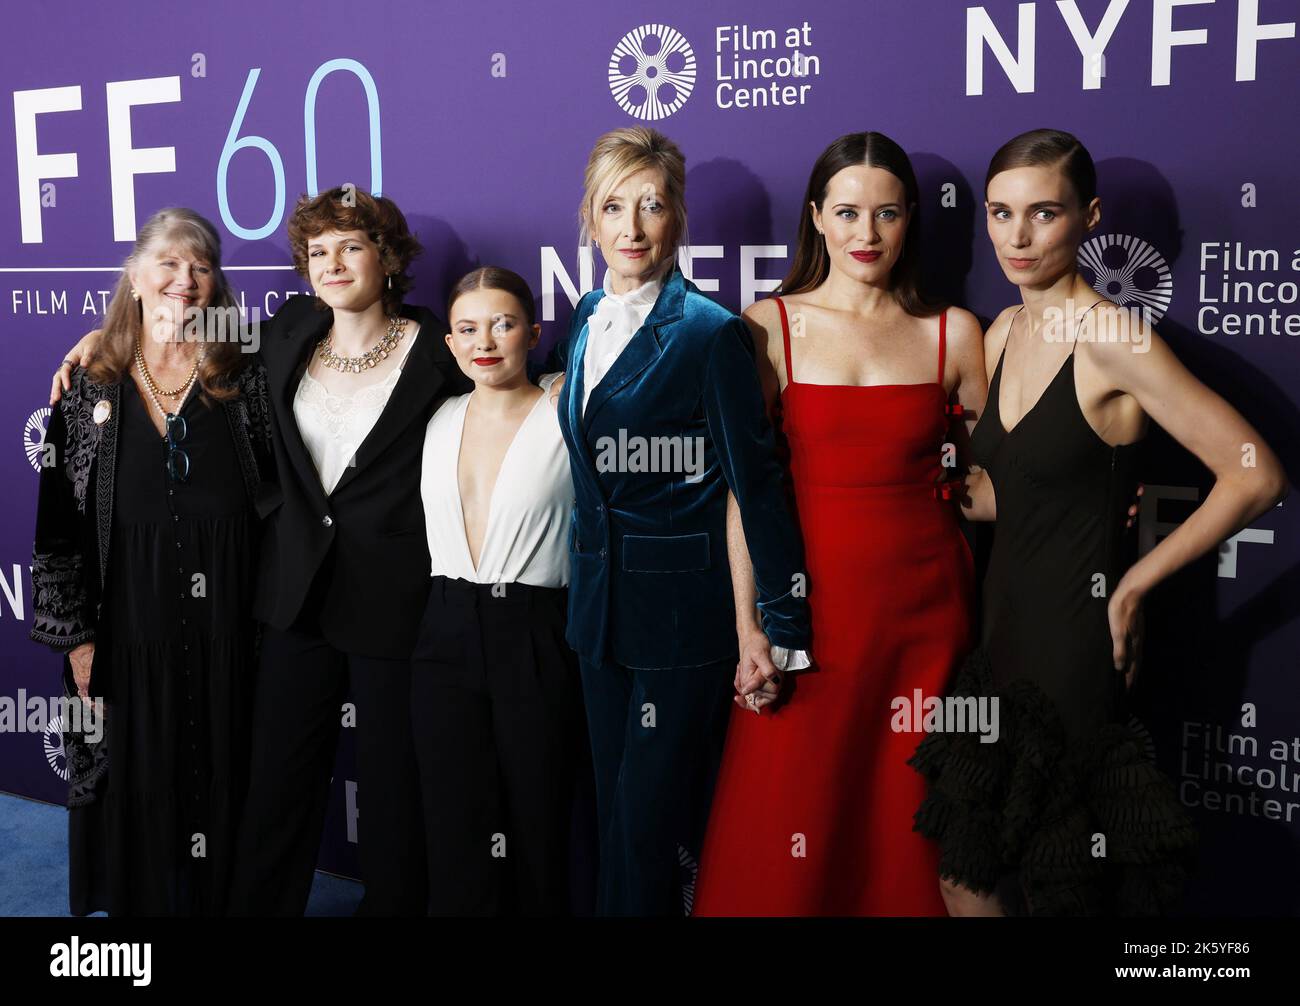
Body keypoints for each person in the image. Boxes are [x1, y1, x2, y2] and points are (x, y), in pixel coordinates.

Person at [911, 129, 1288, 916]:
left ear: (1089, 217)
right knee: (967, 874)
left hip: (1076, 649)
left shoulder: (1116, 338)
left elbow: (1254, 473)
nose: (1017, 237)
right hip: (997, 637)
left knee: (1060, 884)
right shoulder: (1002, 332)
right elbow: (1006, 497)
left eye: (1043, 213)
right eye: (1000, 213)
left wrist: (1132, 588)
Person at [692, 132, 986, 915]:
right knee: (795, 807)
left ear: (909, 220)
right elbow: (745, 495)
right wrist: (751, 628)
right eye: (848, 212)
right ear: (817, 217)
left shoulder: (955, 333)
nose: (867, 234)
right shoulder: (768, 327)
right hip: (809, 613)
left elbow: (990, 475)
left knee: (903, 819)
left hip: (926, 615)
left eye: (886, 214)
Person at [552, 126, 811, 916]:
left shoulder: (710, 332)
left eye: (652, 206)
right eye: (613, 207)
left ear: (678, 220)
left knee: (645, 830)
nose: (632, 228)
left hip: (679, 623)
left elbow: (756, 484)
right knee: (610, 821)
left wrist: (778, 625)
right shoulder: (587, 314)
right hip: (595, 617)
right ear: (590, 221)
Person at [31, 207, 270, 916]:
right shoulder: (85, 391)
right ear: (135, 276)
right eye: (167, 262)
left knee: (226, 783)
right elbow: (56, 534)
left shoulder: (249, 374)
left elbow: (355, 320)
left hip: (232, 631)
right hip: (126, 633)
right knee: (136, 789)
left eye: (201, 266)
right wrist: (78, 644)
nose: (185, 279)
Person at [412, 267, 585, 915]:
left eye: (504, 324)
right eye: (468, 328)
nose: (485, 341)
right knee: (454, 818)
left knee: (540, 818)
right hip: (443, 630)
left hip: (536, 628)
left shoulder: (569, 409)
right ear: (451, 344)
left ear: (534, 334)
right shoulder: (437, 419)